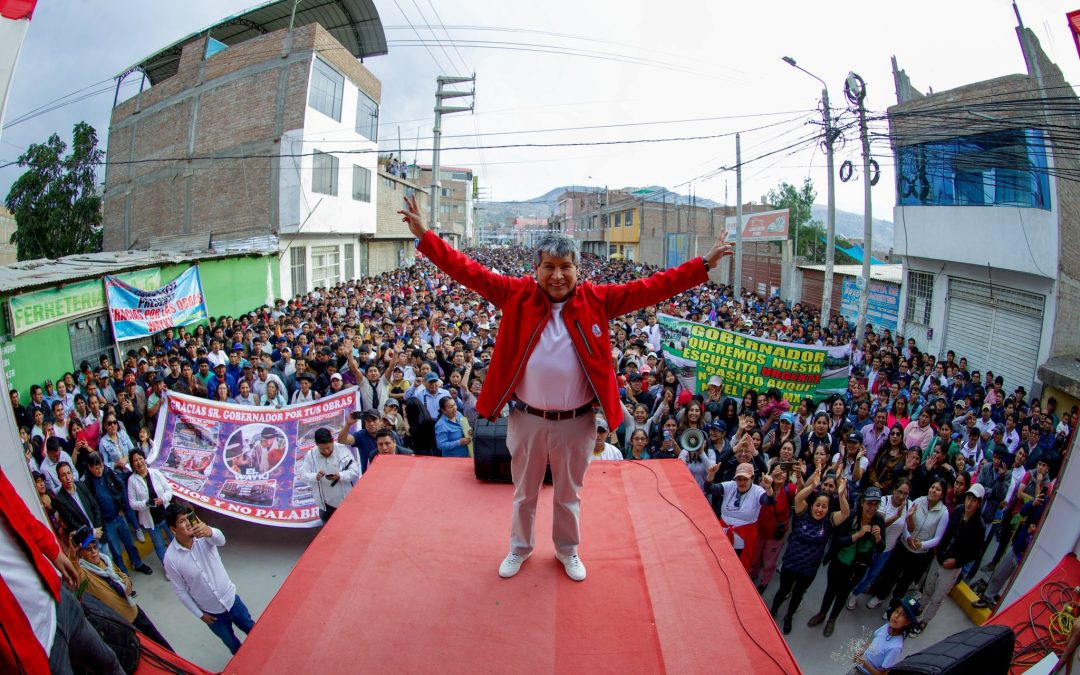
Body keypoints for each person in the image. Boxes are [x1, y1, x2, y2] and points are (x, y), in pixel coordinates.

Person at [399, 192, 734, 582]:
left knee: (568, 495)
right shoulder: (514, 295)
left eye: (566, 267)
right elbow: (465, 269)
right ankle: (520, 548)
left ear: (578, 269)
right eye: (549, 267)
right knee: (524, 492)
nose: (558, 275)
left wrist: (704, 264)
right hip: (526, 419)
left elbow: (653, 287)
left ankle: (567, 551)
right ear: (535, 269)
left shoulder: (598, 300)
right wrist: (424, 235)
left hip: (577, 424)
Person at [0, 466, 124, 674]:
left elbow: (17, 509)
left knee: (109, 663)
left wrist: (52, 550)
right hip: (33, 651)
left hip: (54, 600)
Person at [163, 504, 255, 654]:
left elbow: (221, 540)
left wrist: (210, 531)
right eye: (181, 521)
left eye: (188, 518)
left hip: (232, 600)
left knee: (253, 630)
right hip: (212, 614)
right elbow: (180, 591)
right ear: (173, 529)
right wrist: (200, 615)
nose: (187, 523)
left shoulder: (204, 535)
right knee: (232, 644)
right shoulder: (171, 558)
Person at [770, 470, 850, 634]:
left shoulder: (829, 522)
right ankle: (773, 611)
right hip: (790, 563)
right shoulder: (802, 513)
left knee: (797, 595)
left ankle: (789, 617)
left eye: (824, 506)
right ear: (812, 505)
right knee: (783, 590)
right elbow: (799, 497)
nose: (820, 509)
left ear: (828, 509)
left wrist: (841, 495)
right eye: (817, 505)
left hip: (808, 569)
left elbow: (845, 513)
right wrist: (813, 485)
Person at [70, 526, 172, 650]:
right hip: (122, 625)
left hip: (134, 610)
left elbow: (121, 574)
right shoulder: (84, 574)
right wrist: (72, 552)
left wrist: (127, 582)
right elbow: (74, 570)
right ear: (80, 553)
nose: (94, 552)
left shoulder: (104, 560)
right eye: (88, 550)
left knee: (162, 645)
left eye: (95, 547)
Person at [909, 483, 986, 636]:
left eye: (974, 500)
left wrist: (957, 562)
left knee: (937, 597)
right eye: (968, 498)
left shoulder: (979, 527)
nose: (969, 503)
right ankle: (919, 608)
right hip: (939, 558)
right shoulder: (957, 511)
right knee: (928, 587)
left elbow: (975, 553)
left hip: (951, 568)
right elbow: (945, 532)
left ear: (979, 503)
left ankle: (924, 621)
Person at [810, 487, 886, 637]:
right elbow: (838, 541)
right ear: (862, 502)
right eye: (869, 503)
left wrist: (878, 538)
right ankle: (822, 613)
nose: (871, 508)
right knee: (830, 589)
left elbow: (881, 547)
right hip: (839, 561)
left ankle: (832, 619)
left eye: (875, 504)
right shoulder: (851, 516)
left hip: (858, 567)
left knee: (843, 594)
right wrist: (858, 534)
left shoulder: (879, 521)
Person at [866, 478, 950, 610]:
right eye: (933, 487)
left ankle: (893, 606)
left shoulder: (943, 513)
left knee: (905, 581)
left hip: (919, 554)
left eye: (938, 489)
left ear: (943, 495)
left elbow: (938, 538)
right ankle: (880, 596)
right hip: (903, 546)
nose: (933, 491)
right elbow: (905, 521)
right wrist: (908, 537)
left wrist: (921, 545)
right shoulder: (918, 501)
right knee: (891, 574)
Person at [83, 452, 153, 576]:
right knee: (116, 550)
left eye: (101, 466)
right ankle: (124, 575)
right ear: (90, 467)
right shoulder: (87, 483)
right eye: (96, 468)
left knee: (130, 543)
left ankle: (138, 563)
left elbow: (120, 486)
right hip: (106, 522)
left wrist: (122, 506)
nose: (100, 470)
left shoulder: (108, 471)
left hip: (118, 515)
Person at [705, 461, 775, 566]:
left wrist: (769, 488)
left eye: (745, 479)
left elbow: (768, 501)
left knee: (737, 565)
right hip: (724, 533)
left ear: (752, 478)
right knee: (719, 563)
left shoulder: (757, 491)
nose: (742, 483)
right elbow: (709, 489)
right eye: (739, 479)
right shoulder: (730, 486)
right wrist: (711, 474)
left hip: (743, 539)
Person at [297, 427, 361, 522]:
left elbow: (355, 471)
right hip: (326, 507)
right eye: (322, 449)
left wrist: (340, 475)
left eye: (328, 447)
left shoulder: (342, 449)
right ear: (317, 444)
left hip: (345, 503)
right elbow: (303, 476)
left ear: (332, 441)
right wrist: (315, 476)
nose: (326, 451)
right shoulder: (311, 455)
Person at [851, 596, 920, 675]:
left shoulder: (895, 647)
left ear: (907, 622)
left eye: (903, 615)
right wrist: (861, 652)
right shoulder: (886, 626)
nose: (896, 616)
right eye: (896, 611)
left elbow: (883, 674)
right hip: (857, 666)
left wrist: (864, 663)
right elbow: (874, 642)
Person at [127, 447, 173, 564]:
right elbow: (132, 503)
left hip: (166, 515)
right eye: (135, 461)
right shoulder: (132, 480)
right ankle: (167, 567)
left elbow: (169, 490)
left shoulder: (155, 472)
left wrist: (162, 499)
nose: (139, 462)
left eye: (140, 458)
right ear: (132, 464)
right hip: (151, 521)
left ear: (144, 459)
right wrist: (145, 504)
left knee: (175, 539)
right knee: (159, 546)